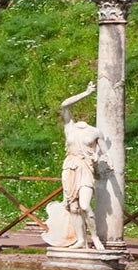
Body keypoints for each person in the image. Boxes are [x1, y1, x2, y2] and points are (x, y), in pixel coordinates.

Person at [42, 81, 107, 250]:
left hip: (85, 168)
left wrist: (98, 159)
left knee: (85, 205)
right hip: (69, 167)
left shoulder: (95, 131)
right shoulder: (69, 128)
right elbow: (64, 104)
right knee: (74, 207)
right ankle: (80, 240)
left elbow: (104, 152)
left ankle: (95, 238)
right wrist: (85, 93)